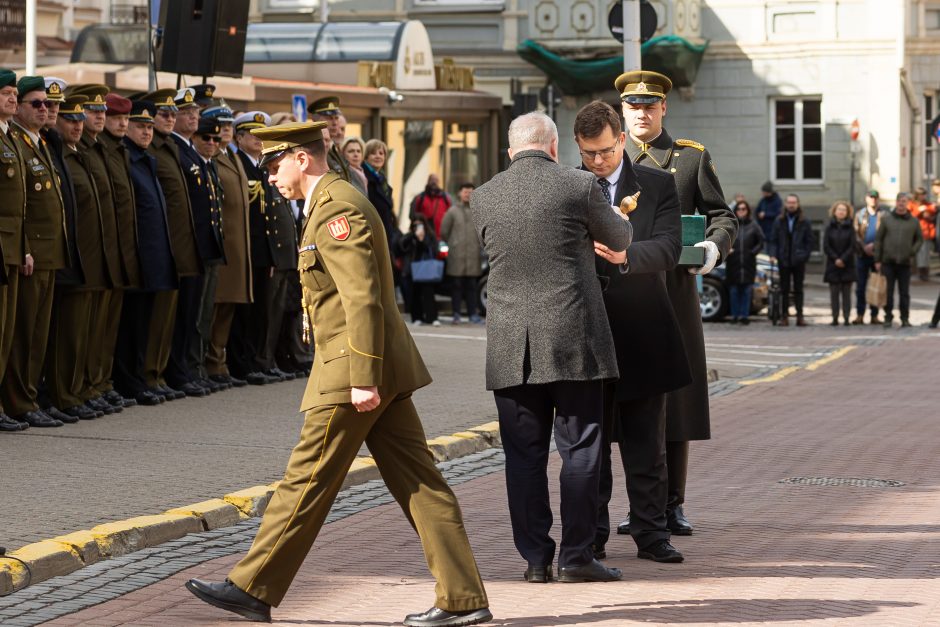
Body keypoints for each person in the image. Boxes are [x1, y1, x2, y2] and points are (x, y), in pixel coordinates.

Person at [186, 121, 492, 627]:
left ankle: (252, 586)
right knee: (421, 485)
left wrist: (364, 376)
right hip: (369, 366)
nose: (269, 174)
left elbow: (361, 297)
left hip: (353, 368)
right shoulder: (330, 203)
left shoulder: (336, 209)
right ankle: (462, 597)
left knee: (305, 478)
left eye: (274, 162)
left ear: (301, 159)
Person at [472, 111, 632, 584]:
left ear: (510, 151)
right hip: (573, 339)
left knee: (523, 458)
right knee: (580, 449)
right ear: (555, 147)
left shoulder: (484, 196)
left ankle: (536, 560)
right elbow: (620, 237)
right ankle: (578, 556)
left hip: (509, 346)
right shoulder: (578, 187)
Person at [618, 70, 737, 536]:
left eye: (650, 105)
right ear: (622, 111)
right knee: (624, 406)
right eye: (633, 106)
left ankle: (672, 504)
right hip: (622, 298)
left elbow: (721, 215)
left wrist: (712, 248)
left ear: (664, 108)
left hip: (675, 295)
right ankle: (638, 507)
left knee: (675, 404)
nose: (642, 113)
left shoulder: (688, 159)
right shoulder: (606, 160)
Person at [573, 100, 689, 566]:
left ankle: (651, 532)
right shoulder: (573, 186)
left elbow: (670, 246)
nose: (597, 162)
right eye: (586, 154)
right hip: (588, 330)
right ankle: (593, 538)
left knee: (646, 443)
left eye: (603, 151)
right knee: (591, 446)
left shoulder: (658, 183)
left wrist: (628, 257)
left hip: (644, 328)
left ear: (621, 139)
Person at [3, 75, 69, 428]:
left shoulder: (38, 142)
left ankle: (28, 396)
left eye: (47, 104)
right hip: (25, 250)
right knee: (22, 331)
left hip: (46, 251)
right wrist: (26, 247)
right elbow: (18, 205)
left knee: (37, 332)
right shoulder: (14, 140)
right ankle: (18, 400)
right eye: (37, 104)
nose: (45, 110)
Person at [68, 84, 129, 414]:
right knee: (79, 331)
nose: (99, 118)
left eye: (100, 112)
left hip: (109, 253)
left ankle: (95, 385)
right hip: (87, 255)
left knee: (101, 329)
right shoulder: (84, 150)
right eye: (94, 113)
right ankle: (76, 391)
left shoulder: (102, 149)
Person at [41, 80, 97, 423]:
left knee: (71, 333)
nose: (49, 113)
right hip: (38, 253)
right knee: (45, 335)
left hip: (73, 255)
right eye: (43, 106)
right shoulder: (47, 145)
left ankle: (70, 393)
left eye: (53, 108)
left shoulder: (59, 147)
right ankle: (47, 396)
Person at [141, 88, 202, 400]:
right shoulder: (154, 148)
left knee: (172, 319)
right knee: (156, 319)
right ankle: (151, 376)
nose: (169, 118)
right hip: (164, 248)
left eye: (171, 114)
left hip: (180, 247)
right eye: (163, 114)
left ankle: (161, 373)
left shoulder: (168, 148)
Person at [118, 101, 179, 404]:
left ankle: (140, 378)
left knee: (145, 323)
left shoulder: (144, 158)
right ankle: (130, 381)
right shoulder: (127, 157)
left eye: (148, 127)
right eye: (140, 126)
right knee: (132, 324)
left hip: (153, 253)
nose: (145, 132)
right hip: (137, 253)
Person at [232, 111, 297, 384]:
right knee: (248, 313)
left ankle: (259, 361)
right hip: (250, 249)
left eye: (262, 134)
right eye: (253, 134)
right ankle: (246, 363)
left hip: (269, 249)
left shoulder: (261, 165)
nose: (259, 139)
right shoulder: (238, 164)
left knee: (265, 312)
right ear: (239, 137)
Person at [171, 88, 226, 394]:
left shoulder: (193, 154)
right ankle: (183, 369)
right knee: (185, 316)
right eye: (186, 112)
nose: (193, 116)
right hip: (188, 246)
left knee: (198, 315)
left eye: (195, 112)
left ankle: (192, 367)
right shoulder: (180, 152)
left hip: (204, 246)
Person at [202, 102, 254, 388]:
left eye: (227, 127)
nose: (223, 132)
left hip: (238, 247)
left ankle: (218, 363)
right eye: (219, 127)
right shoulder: (213, 158)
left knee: (227, 309)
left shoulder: (230, 156)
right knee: (214, 308)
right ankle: (210, 364)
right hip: (224, 245)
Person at [0, 69, 29, 431]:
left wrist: (23, 248)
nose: (11, 98)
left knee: (7, 332)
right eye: (5, 93)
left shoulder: (10, 138)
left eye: (12, 93)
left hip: (12, 247)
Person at [875, 192, 923, 328]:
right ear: (896, 203)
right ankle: (888, 317)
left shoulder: (914, 221)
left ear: (907, 204)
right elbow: (878, 240)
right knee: (888, 292)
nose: (902, 204)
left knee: (904, 293)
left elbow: (920, 239)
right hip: (888, 262)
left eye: (904, 201)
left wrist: (912, 251)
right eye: (900, 201)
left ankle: (905, 318)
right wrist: (877, 259)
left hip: (904, 262)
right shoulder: (887, 219)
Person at [440, 182, 483, 324]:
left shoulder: (478, 211)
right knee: (456, 286)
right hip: (456, 255)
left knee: (471, 286)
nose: (468, 194)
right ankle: (456, 314)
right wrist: (454, 243)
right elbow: (444, 232)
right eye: (465, 191)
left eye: (471, 192)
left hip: (473, 255)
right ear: (459, 193)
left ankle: (473, 314)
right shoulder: (452, 211)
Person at [769, 193, 814, 326]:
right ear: (786, 204)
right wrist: (773, 254)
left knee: (798, 289)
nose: (791, 205)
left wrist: (804, 256)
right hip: (783, 260)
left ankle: (800, 316)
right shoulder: (779, 220)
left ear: (798, 204)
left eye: (794, 202)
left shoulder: (804, 221)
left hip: (798, 260)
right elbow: (773, 240)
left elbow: (810, 241)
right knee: (784, 289)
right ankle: (784, 316)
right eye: (789, 202)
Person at [397, 215, 441, 326]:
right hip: (412, 269)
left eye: (420, 224)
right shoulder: (410, 236)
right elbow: (401, 246)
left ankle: (432, 317)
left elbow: (433, 250)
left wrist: (422, 240)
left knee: (428, 293)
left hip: (426, 269)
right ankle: (417, 317)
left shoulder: (430, 236)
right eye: (415, 225)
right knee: (414, 294)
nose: (418, 227)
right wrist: (413, 235)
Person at [725, 200, 764, 324]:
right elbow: (723, 239)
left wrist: (753, 252)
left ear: (747, 211)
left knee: (747, 291)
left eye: (744, 209)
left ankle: (744, 316)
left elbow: (761, 241)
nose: (741, 211)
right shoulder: (731, 225)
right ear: (735, 211)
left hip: (748, 263)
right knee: (734, 291)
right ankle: (735, 315)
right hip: (733, 263)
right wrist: (727, 249)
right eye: (739, 209)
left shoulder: (753, 225)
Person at [853, 189, 885, 324]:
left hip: (877, 256)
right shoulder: (860, 214)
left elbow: (885, 235)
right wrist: (863, 246)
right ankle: (860, 314)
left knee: (875, 285)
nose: (873, 199)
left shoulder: (883, 215)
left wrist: (875, 247)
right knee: (860, 286)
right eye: (871, 197)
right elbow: (855, 234)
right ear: (866, 198)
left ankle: (874, 315)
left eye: (875, 197)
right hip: (862, 255)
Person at [823, 200, 856, 326]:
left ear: (847, 212)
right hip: (833, 264)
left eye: (844, 210)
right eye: (839, 210)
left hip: (847, 264)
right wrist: (836, 258)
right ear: (834, 212)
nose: (841, 212)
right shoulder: (829, 227)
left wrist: (843, 259)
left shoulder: (850, 227)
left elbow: (852, 245)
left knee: (847, 293)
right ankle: (835, 317)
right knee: (834, 293)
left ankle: (847, 317)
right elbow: (826, 245)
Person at [362, 138, 398, 244]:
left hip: (385, 231)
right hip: (373, 232)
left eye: (381, 153)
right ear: (366, 156)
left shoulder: (381, 178)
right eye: (373, 153)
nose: (378, 156)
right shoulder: (364, 177)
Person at [410, 173, 451, 237]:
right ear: (428, 181)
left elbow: (450, 216)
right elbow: (413, 216)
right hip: (424, 237)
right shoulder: (419, 198)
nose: (434, 182)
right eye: (432, 180)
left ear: (438, 182)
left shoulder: (445, 198)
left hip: (441, 237)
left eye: (436, 180)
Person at [910, 186, 936, 281]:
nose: (923, 197)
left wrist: (929, 212)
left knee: (926, 254)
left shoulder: (927, 204)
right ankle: (920, 272)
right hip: (916, 232)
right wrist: (919, 210)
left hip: (927, 232)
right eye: (921, 195)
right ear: (917, 195)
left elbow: (933, 211)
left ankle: (925, 272)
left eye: (924, 194)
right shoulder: (912, 204)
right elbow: (910, 215)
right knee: (919, 253)